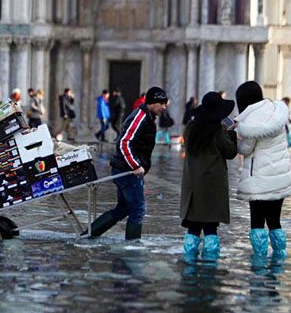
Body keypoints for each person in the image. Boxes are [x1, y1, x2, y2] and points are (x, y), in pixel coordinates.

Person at [85, 87, 168, 240]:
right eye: (161, 103)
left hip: (125, 169)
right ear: (151, 102)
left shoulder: (147, 117)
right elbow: (123, 143)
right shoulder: (141, 117)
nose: (164, 107)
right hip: (127, 171)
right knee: (138, 210)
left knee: (123, 208)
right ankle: (132, 248)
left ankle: (88, 235)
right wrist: (136, 165)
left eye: (165, 103)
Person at [234, 81, 291, 258]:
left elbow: (245, 149)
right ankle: (279, 257)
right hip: (280, 177)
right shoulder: (277, 110)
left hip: (259, 181)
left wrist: (234, 137)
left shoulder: (250, 121)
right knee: (275, 221)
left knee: (257, 222)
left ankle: (259, 263)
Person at [180, 91, 237, 261]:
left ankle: (189, 264)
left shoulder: (190, 129)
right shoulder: (218, 131)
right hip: (212, 185)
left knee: (193, 227)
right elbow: (231, 152)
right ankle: (210, 268)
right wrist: (231, 133)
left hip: (192, 185)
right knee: (211, 227)